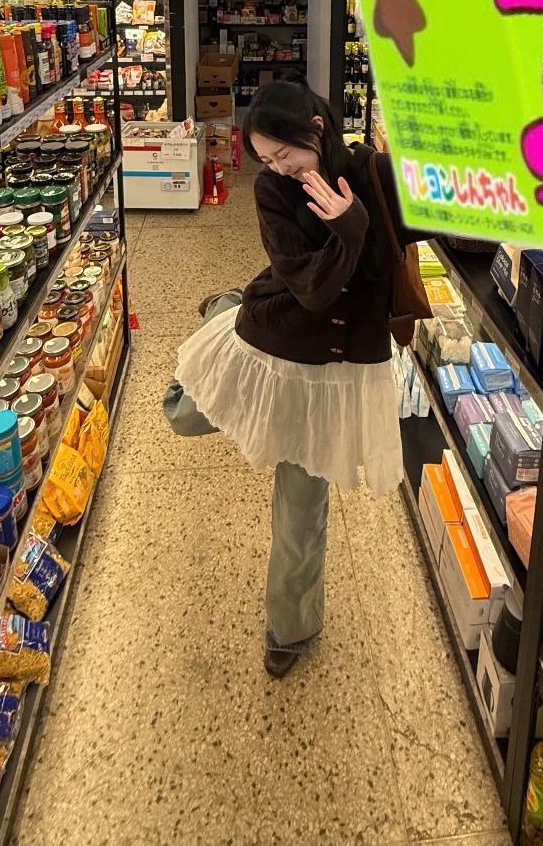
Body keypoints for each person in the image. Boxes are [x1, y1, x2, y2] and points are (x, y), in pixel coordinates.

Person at [164, 78, 425, 679]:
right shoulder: (272, 192)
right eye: (267, 159)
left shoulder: (376, 177)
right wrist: (350, 231)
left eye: (284, 154)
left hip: (334, 371)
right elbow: (310, 288)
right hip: (276, 331)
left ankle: (291, 629)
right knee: (180, 414)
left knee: (302, 507)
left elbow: (465, 208)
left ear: (317, 129)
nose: (278, 168)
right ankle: (227, 309)